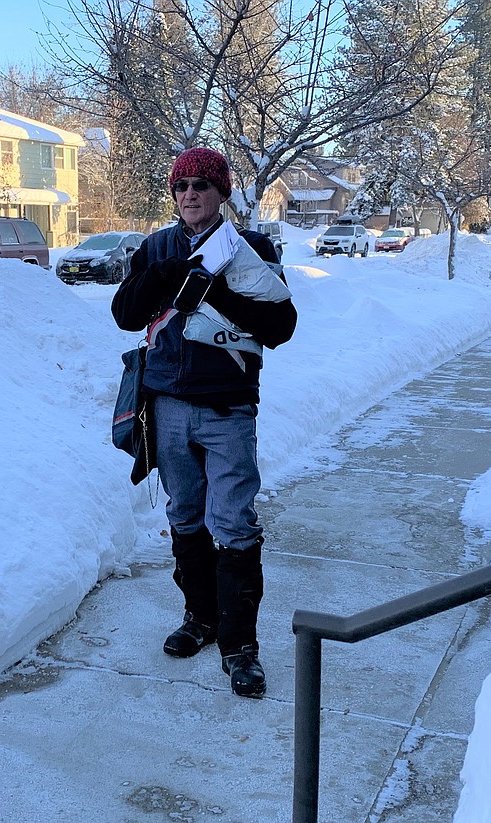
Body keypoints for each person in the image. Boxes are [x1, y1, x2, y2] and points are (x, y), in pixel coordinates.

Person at [111, 147, 297, 697]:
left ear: (222, 193)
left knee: (234, 523)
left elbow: (279, 324)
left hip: (228, 409)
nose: (189, 193)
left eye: (202, 184)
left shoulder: (251, 248)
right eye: (181, 184)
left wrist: (213, 289)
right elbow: (125, 315)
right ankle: (201, 619)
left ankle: (241, 647)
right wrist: (165, 276)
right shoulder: (157, 246)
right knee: (184, 516)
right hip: (165, 406)